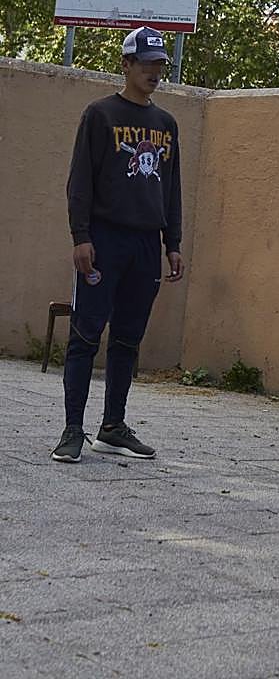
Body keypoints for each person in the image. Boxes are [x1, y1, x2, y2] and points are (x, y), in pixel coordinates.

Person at [53, 27, 185, 463]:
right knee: (85, 334)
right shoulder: (100, 115)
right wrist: (81, 236)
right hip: (104, 240)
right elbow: (80, 182)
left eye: (159, 64)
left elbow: (172, 189)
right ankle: (74, 429)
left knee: (128, 339)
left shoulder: (166, 124)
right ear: (126, 64)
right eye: (145, 63)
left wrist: (173, 243)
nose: (153, 71)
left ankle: (113, 426)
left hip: (147, 243)